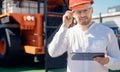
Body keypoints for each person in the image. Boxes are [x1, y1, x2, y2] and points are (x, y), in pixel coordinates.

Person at [48, 0, 120, 72]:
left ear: (91, 10)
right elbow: (53, 52)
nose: (82, 15)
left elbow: (118, 64)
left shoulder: (107, 32)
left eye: (85, 10)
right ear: (73, 14)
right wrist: (64, 26)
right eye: (78, 12)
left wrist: (108, 61)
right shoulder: (68, 33)